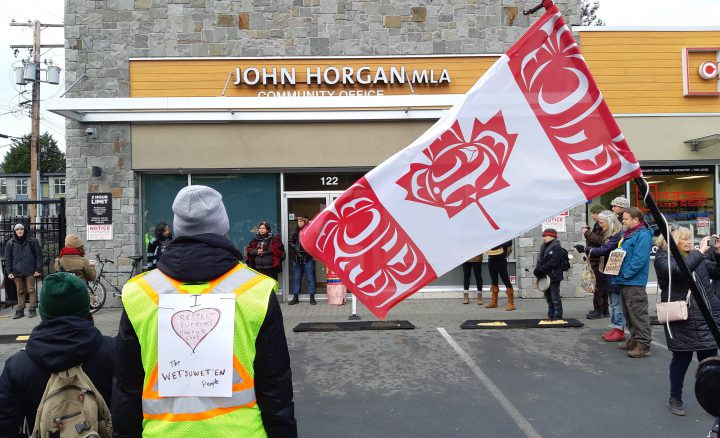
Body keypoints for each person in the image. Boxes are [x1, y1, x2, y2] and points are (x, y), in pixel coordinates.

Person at [113, 185, 296, 437]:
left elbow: (126, 387)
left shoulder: (140, 293)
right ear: (223, 226)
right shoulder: (257, 290)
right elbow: (275, 386)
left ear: (178, 228)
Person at [0, 272, 115, 433]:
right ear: (85, 306)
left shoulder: (17, 365)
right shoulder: (113, 351)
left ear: (43, 310)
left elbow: (5, 426)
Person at [655, 227, 720, 416]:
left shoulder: (696, 256)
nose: (689, 242)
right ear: (672, 242)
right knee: (681, 359)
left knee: (710, 360)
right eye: (684, 239)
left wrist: (717, 252)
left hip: (706, 316)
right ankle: (675, 397)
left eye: (689, 238)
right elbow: (679, 271)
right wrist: (700, 252)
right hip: (683, 317)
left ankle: (713, 396)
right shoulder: (663, 259)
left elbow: (716, 271)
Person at [579, 210, 627, 342]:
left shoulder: (617, 235)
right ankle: (616, 327)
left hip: (615, 272)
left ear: (610, 222)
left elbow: (605, 250)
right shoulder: (612, 234)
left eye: (602, 222)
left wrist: (586, 249)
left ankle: (619, 329)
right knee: (612, 303)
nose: (600, 225)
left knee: (616, 304)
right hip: (609, 271)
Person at [613, 206, 654, 358]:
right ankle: (635, 340)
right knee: (629, 313)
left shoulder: (642, 234)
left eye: (626, 219)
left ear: (636, 220)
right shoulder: (630, 233)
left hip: (633, 281)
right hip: (626, 280)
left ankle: (643, 345)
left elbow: (639, 259)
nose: (623, 221)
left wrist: (625, 273)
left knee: (638, 314)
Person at [4, 223, 42, 319]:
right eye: (17, 229)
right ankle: (20, 310)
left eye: (21, 229)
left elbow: (38, 256)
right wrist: (9, 272)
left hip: (30, 270)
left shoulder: (32, 241)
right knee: (19, 291)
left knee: (31, 290)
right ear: (15, 231)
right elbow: (7, 258)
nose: (19, 231)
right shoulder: (10, 243)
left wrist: (38, 269)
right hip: (16, 272)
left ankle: (32, 309)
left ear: (24, 230)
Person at [579, 204, 608, 320]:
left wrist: (586, 233)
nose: (592, 215)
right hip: (597, 258)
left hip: (600, 259)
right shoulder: (598, 224)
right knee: (601, 286)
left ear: (599, 213)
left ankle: (599, 310)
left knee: (599, 286)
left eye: (593, 213)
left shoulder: (604, 224)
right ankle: (603, 309)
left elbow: (601, 240)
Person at [534, 228, 564, 320]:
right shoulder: (544, 246)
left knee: (555, 297)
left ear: (552, 236)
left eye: (545, 236)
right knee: (548, 296)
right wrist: (537, 270)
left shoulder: (557, 247)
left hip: (554, 276)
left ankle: (558, 315)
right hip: (545, 276)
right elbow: (540, 260)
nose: (544, 238)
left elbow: (554, 262)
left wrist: (541, 269)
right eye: (543, 236)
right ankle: (550, 314)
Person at [288, 216, 316, 305]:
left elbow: (313, 242)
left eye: (301, 221)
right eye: (298, 221)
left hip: (308, 258)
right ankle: (295, 297)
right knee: (297, 278)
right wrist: (296, 248)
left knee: (310, 277)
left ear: (305, 222)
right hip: (297, 258)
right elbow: (290, 241)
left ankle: (312, 297)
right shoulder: (295, 231)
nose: (299, 223)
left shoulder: (309, 231)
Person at [485, 240, 515, 311]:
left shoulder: (503, 233)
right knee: (494, 281)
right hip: (491, 260)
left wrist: (498, 244)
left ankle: (511, 303)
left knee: (506, 281)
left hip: (501, 260)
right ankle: (494, 302)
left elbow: (509, 242)